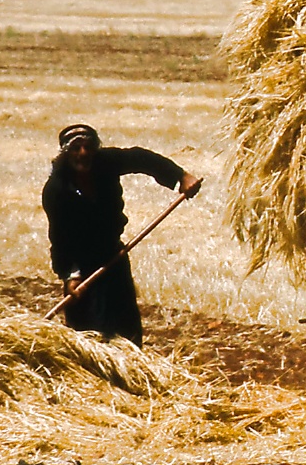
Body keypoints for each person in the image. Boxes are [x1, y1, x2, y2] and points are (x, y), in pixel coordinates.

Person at [41, 123, 200, 346]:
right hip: (83, 265)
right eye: (76, 148)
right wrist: (70, 275)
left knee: (126, 329)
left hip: (113, 253)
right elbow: (59, 239)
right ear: (65, 153)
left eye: (89, 147)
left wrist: (179, 176)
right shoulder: (57, 189)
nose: (83, 153)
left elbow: (140, 158)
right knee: (89, 334)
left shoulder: (105, 162)